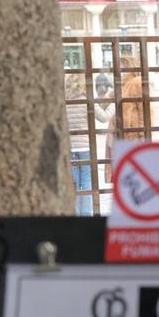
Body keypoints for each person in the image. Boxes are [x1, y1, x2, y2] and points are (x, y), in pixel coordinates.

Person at [64, 75, 95, 215]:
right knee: (87, 182)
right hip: (86, 147)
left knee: (74, 184)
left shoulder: (65, 102)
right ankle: (86, 214)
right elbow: (103, 117)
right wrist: (112, 106)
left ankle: (75, 214)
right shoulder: (86, 101)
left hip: (71, 148)